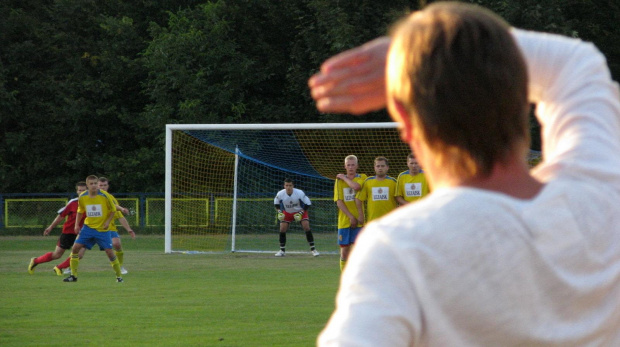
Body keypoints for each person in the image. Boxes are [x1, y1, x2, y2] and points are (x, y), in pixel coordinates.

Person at [311, 2, 620, 345]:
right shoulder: (603, 193)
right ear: (522, 97)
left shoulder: (401, 248)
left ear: (401, 115)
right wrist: (417, 54)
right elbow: (576, 63)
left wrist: (415, 56)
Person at [63, 175, 123, 283]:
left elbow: (113, 209)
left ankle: (119, 276)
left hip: (102, 230)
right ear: (87, 186)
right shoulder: (83, 196)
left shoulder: (104, 195)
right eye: (91, 184)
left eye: (95, 183)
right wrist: (76, 225)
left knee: (109, 252)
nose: (94, 185)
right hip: (88, 228)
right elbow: (80, 211)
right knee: (75, 249)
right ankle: (73, 275)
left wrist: (107, 222)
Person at [27, 181, 87, 275]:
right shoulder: (73, 203)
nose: (82, 192)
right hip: (68, 232)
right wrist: (50, 227)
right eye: (80, 190)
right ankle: (36, 261)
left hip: (82, 233)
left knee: (79, 254)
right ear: (77, 191)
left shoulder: (92, 203)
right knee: (57, 254)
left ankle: (59, 268)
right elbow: (61, 216)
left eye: (84, 190)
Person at [333, 155, 367, 271]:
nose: (351, 167)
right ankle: (344, 276)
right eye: (348, 165)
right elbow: (339, 202)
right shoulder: (338, 182)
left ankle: (360, 274)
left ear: (357, 166)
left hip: (360, 221)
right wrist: (350, 217)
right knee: (345, 251)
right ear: (345, 166)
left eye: (353, 165)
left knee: (360, 250)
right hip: (344, 221)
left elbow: (356, 187)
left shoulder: (362, 177)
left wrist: (344, 178)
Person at [98, 177, 136, 274]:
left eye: (104, 185)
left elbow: (119, 216)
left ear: (108, 186)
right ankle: (69, 267)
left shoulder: (111, 198)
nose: (102, 187)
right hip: (92, 227)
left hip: (109, 228)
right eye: (100, 185)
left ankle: (120, 266)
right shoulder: (91, 197)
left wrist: (129, 229)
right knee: (79, 248)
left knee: (117, 244)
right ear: (96, 186)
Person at [273, 178, 319, 257]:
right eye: (286, 185)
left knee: (306, 226)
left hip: (299, 211)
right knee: (282, 228)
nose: (288, 187)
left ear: (293, 186)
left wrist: (301, 212)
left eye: (290, 185)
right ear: (284, 186)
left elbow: (308, 203)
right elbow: (276, 204)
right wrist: (279, 212)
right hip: (287, 212)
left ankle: (313, 250)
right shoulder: (280, 193)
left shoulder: (299, 193)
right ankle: (282, 250)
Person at [354, 156, 397, 224]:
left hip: (390, 221)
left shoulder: (393, 182)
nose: (380, 168)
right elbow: (358, 199)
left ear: (387, 167)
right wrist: (361, 215)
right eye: (378, 166)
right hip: (373, 222)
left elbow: (399, 199)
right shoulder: (368, 181)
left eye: (382, 166)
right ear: (374, 168)